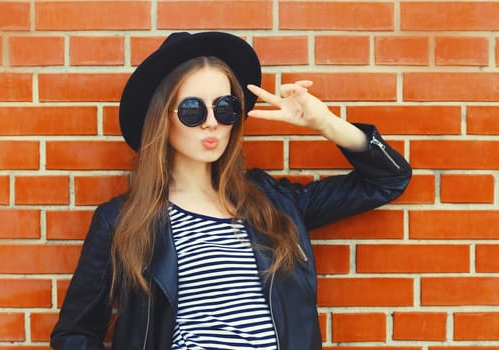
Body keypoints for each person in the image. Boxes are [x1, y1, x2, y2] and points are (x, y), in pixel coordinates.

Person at [50, 31, 411, 350]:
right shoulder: (122, 221)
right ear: (162, 117)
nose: (211, 121)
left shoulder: (274, 202)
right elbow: (76, 333)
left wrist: (325, 122)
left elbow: (388, 179)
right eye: (192, 109)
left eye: (225, 108)